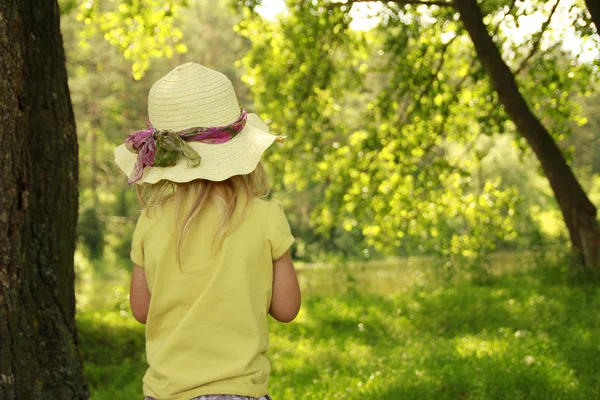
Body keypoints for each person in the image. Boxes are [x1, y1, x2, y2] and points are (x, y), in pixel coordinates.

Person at [114, 62, 301, 400]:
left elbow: (141, 310)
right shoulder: (265, 216)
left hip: (165, 392)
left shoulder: (150, 222)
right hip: (239, 391)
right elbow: (287, 308)